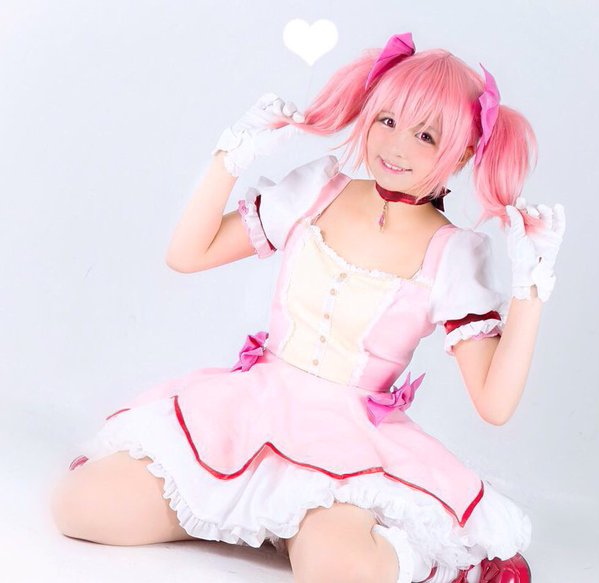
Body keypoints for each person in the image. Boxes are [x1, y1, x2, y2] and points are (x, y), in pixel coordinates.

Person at [49, 32, 565, 583]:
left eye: (425, 136)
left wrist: (531, 287)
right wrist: (230, 158)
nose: (397, 146)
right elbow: (187, 254)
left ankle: (430, 560)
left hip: (348, 440)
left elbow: (493, 404)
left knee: (335, 572)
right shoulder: (318, 189)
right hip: (251, 407)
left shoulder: (453, 254)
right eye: (387, 120)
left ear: (461, 153)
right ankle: (250, 515)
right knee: (82, 505)